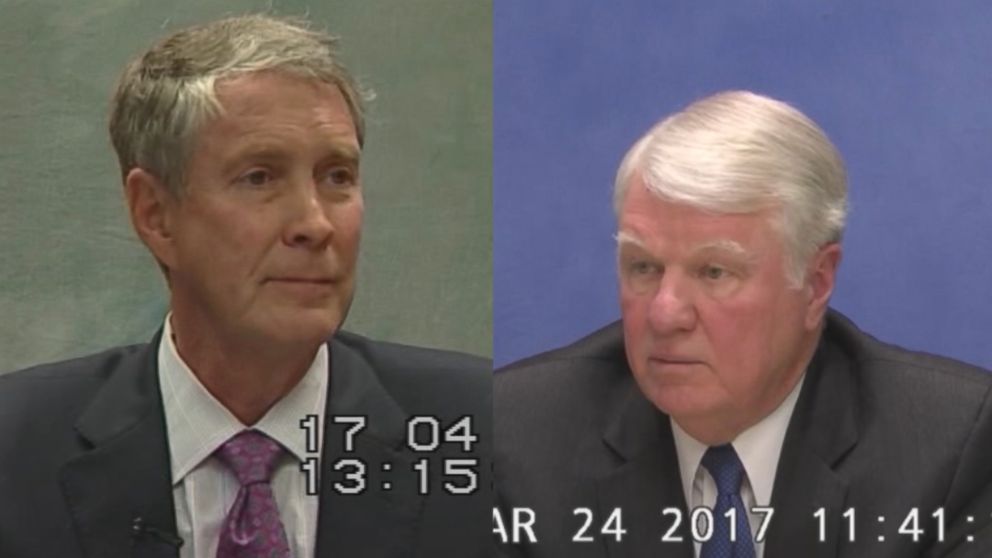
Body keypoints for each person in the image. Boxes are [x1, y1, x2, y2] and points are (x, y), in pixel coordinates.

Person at [0, 15, 490, 558]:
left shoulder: (484, 435)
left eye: (337, 177)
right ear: (156, 214)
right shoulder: (16, 452)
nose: (316, 223)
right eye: (260, 177)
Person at [494, 91, 992, 557]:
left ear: (816, 283)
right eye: (643, 267)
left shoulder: (949, 447)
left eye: (714, 272)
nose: (665, 313)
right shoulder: (518, 435)